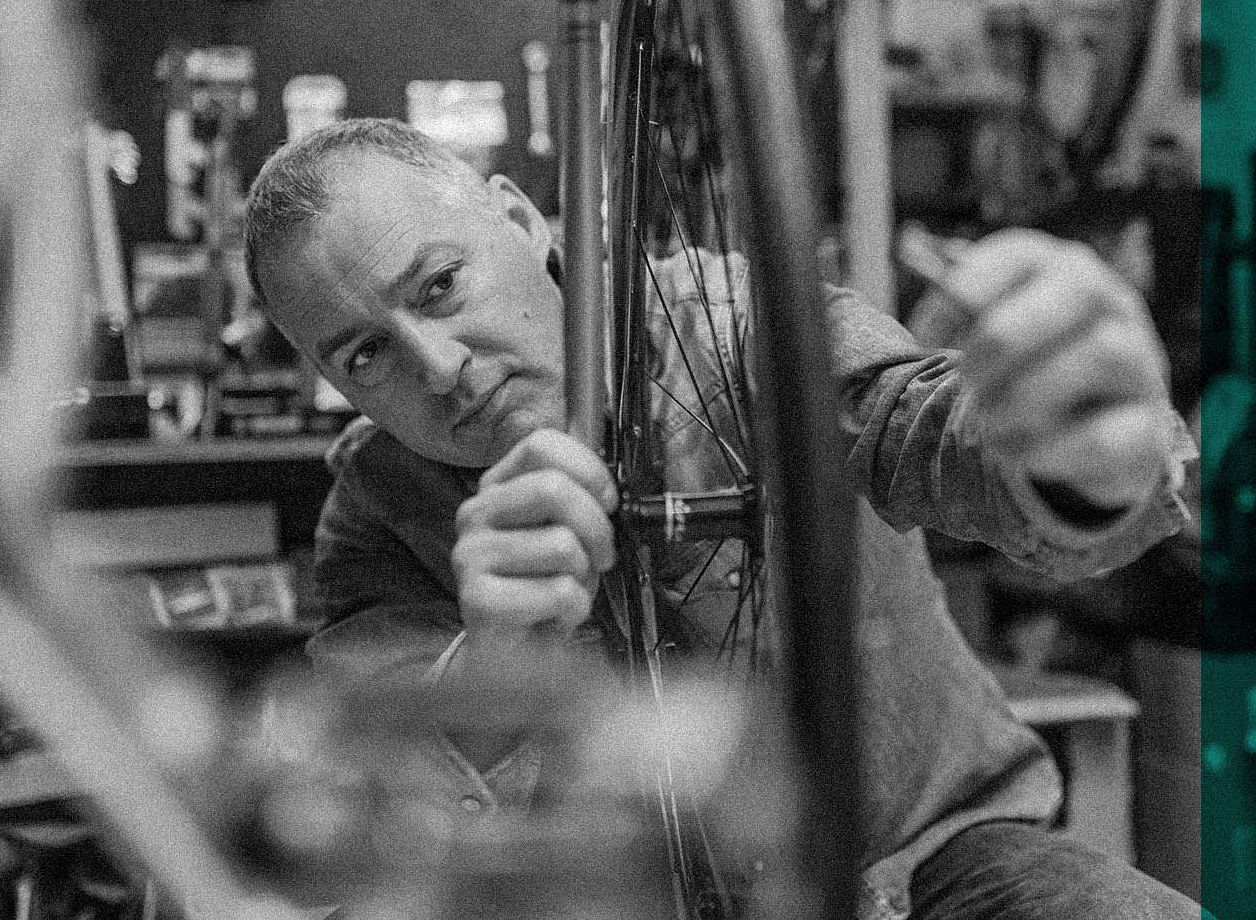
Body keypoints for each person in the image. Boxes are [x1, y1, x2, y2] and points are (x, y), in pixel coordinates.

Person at [244, 117, 1204, 920]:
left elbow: (930, 431)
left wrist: (1084, 448)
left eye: (440, 286)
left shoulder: (744, 327)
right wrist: (489, 668)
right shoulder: (377, 514)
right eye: (365, 355)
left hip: (919, 864)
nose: (437, 366)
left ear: (519, 217)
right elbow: (365, 828)